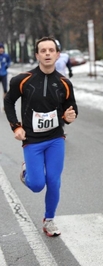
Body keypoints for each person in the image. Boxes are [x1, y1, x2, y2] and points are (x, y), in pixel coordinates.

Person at [3, 36, 78, 237]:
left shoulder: (64, 83)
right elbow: (8, 102)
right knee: (37, 185)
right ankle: (27, 173)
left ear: (57, 54)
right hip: (33, 140)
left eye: (51, 50)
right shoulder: (23, 80)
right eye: (43, 50)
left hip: (55, 139)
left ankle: (49, 220)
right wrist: (16, 127)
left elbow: (71, 110)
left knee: (54, 181)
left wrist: (69, 117)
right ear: (37, 55)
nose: (47, 54)